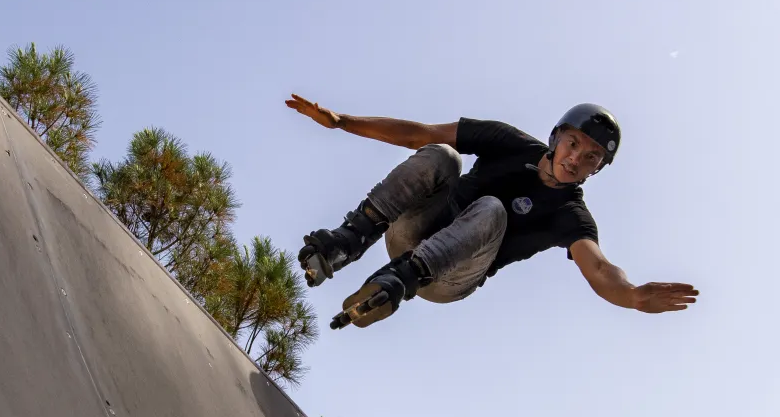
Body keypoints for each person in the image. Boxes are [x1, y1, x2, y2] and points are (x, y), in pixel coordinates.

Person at [286, 94, 699, 330]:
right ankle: (348, 240)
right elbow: (420, 134)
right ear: (557, 138)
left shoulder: (571, 215)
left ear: (597, 169)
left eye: (591, 157)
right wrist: (342, 122)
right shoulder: (509, 142)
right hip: (412, 232)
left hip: (447, 277)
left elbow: (601, 269)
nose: (576, 159)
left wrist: (632, 296)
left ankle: (397, 282)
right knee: (443, 155)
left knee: (491, 210)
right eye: (574, 144)